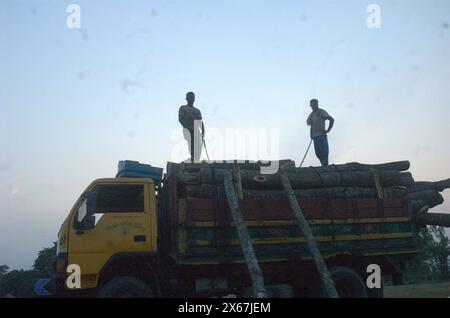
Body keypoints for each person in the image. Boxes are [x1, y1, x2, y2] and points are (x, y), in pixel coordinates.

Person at [306, 99, 334, 166]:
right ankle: (324, 166)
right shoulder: (311, 115)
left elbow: (331, 120)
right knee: (318, 154)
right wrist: (311, 135)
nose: (312, 106)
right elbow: (310, 125)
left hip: (322, 136)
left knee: (324, 153)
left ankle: (326, 167)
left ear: (316, 104)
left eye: (314, 104)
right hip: (315, 137)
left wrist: (327, 130)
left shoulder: (322, 112)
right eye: (311, 105)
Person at [178, 92, 205, 162]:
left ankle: (195, 159)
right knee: (191, 145)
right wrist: (188, 128)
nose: (191, 98)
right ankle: (193, 158)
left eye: (193, 96)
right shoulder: (183, 108)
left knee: (198, 147)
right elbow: (181, 119)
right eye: (190, 96)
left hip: (197, 131)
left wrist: (203, 131)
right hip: (188, 130)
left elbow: (200, 122)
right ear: (186, 98)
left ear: (194, 99)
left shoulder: (197, 111)